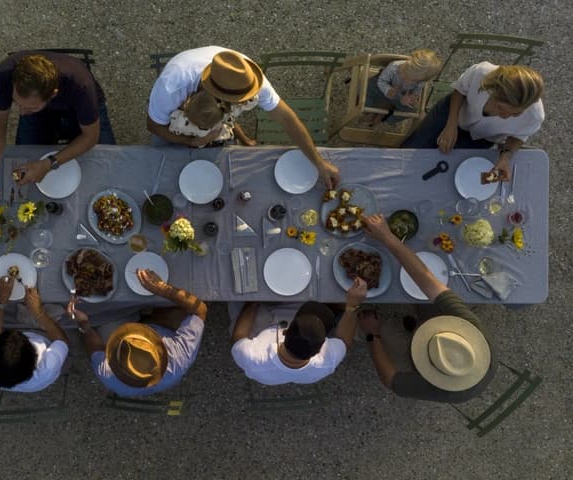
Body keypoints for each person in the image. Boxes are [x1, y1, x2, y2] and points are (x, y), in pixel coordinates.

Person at [147, 46, 340, 188]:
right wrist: (191, 142)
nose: (242, 104)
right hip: (171, 131)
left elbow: (287, 119)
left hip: (205, 132)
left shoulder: (247, 83)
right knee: (167, 180)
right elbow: (154, 126)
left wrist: (319, 163)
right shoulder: (172, 87)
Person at [357, 214, 496, 403]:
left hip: (413, 360)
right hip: (443, 339)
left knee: (371, 329)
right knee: (424, 300)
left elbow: (389, 379)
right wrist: (387, 237)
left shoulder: (439, 389)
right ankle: (416, 323)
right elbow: (427, 280)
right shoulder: (469, 328)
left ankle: (374, 332)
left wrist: (372, 335)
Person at [0, 52, 116, 201]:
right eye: (17, 104)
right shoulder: (6, 74)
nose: (22, 113)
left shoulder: (80, 85)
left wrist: (49, 163)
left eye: (29, 109)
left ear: (53, 95)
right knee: (25, 154)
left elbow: (90, 137)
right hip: (41, 109)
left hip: (77, 107)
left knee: (104, 160)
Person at [74, 269, 207, 397]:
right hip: (160, 326)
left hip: (132, 329)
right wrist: (164, 289)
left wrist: (85, 326)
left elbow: (95, 348)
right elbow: (200, 310)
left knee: (100, 317)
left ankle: (131, 312)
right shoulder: (179, 358)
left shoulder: (109, 375)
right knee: (184, 304)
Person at [402, 63, 544, 181]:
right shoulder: (480, 73)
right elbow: (459, 91)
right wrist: (451, 125)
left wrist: (505, 156)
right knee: (411, 150)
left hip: (482, 138)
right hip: (452, 113)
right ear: (492, 91)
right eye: (501, 108)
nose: (506, 117)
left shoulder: (535, 116)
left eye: (516, 113)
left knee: (453, 173)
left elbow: (518, 137)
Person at [230, 278, 366, 385]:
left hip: (261, 331)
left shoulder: (251, 356)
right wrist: (352, 306)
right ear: (321, 348)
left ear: (284, 332)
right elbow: (344, 342)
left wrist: (253, 300)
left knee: (237, 297)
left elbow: (239, 335)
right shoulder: (327, 360)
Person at [0, 280, 68, 392]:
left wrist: (1, 302)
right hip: (44, 335)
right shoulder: (48, 367)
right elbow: (62, 340)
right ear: (35, 357)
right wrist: (39, 312)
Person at [364, 49, 442, 125]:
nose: (404, 79)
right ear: (408, 62)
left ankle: (386, 118)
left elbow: (416, 92)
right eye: (404, 73)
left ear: (421, 80)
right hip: (383, 86)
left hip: (400, 95)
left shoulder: (421, 82)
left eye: (411, 80)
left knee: (412, 111)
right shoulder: (394, 66)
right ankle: (368, 110)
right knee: (368, 85)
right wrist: (388, 89)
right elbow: (381, 81)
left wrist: (410, 98)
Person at [168, 89, 258, 146]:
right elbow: (252, 100)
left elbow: (172, 126)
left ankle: (244, 140)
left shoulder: (181, 123)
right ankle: (245, 140)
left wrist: (180, 108)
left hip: (198, 146)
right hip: (224, 140)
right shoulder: (226, 113)